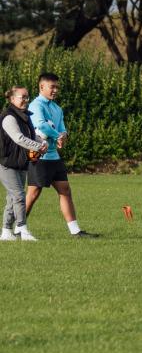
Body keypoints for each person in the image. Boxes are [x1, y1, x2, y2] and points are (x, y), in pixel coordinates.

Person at [25, 72, 98, 238]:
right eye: (52, 87)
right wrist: (57, 135)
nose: (55, 90)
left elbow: (62, 127)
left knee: (65, 190)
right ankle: (18, 227)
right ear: (41, 87)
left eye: (57, 87)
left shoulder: (57, 108)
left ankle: (75, 231)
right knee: (33, 193)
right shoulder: (36, 106)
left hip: (53, 157)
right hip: (38, 156)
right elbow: (41, 126)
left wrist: (63, 135)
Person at [0, 86, 49, 241]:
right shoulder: (9, 117)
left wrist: (43, 142)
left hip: (20, 163)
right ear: (13, 99)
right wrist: (38, 147)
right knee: (19, 195)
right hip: (6, 163)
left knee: (12, 198)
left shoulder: (24, 117)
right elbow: (19, 138)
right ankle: (22, 228)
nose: (26, 100)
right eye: (23, 97)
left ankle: (6, 231)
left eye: (28, 97)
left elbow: (32, 135)